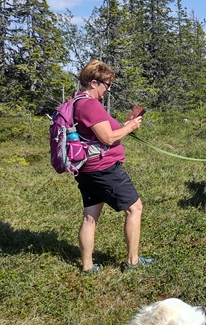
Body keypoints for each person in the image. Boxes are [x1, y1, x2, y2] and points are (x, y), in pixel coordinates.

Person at [73, 59, 153, 274]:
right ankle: (132, 262)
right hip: (103, 168)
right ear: (93, 83)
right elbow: (108, 138)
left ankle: (88, 267)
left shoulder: (77, 101)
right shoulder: (89, 104)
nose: (107, 89)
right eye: (106, 84)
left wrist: (125, 127)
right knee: (135, 208)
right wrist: (130, 127)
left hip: (86, 169)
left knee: (90, 216)